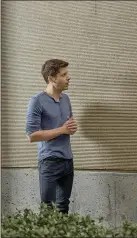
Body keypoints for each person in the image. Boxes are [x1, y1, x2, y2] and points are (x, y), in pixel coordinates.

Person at [26, 59, 77, 214]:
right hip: (49, 162)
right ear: (52, 78)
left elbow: (68, 126)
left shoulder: (65, 99)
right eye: (64, 74)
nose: (69, 77)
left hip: (68, 161)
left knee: (63, 208)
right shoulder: (37, 101)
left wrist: (71, 128)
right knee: (48, 210)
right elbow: (32, 135)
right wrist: (62, 130)